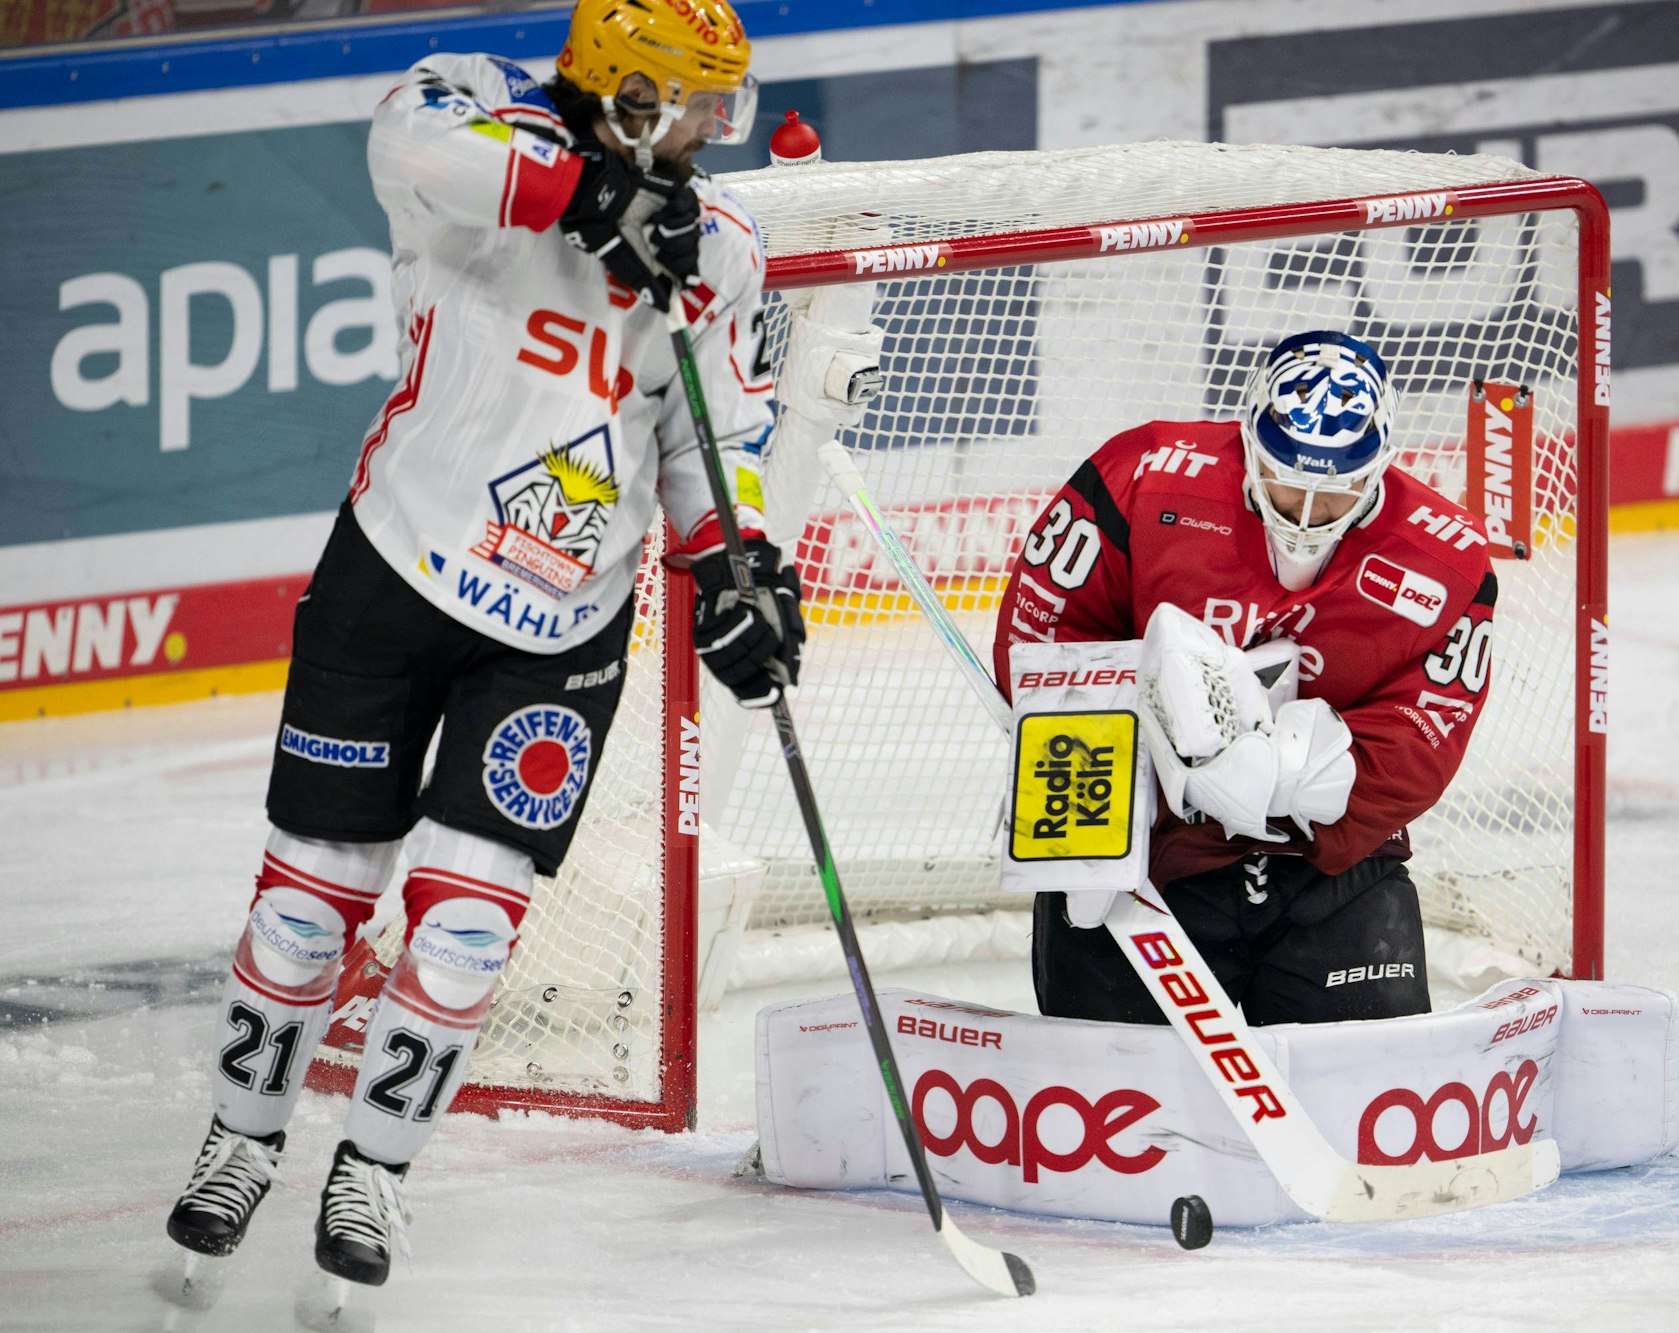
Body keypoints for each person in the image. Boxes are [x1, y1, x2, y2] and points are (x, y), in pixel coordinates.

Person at [162, 0, 877, 1290]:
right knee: (304, 912)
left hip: (561, 631)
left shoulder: (716, 247)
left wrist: (735, 564)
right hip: (393, 572)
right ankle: (240, 1139)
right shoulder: (473, 101)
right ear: (634, 92)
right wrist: (589, 191)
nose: (721, 127)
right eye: (700, 101)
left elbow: (712, 441)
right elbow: (416, 154)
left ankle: (374, 1171)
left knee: (464, 935)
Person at [994, 331, 1498, 1028]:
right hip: (1144, 853)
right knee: (1106, 1094)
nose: (1305, 512)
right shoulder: (1143, 476)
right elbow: (1037, 637)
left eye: (1334, 493)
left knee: (1369, 1089)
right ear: (1248, 441)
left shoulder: (1447, 556)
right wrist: (1132, 772)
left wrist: (1298, 775)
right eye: (1287, 479)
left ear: (1380, 468)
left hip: (1329, 867)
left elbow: (1428, 733)